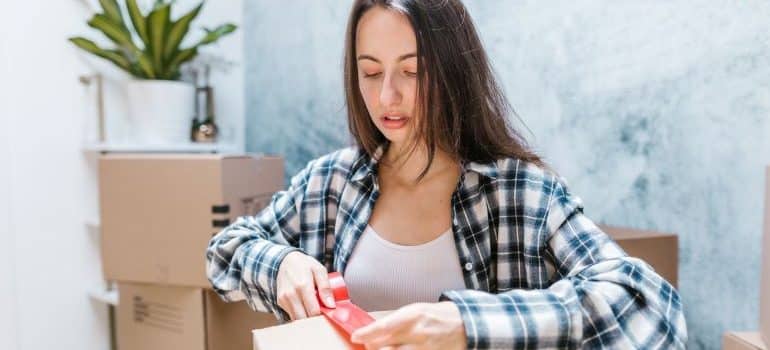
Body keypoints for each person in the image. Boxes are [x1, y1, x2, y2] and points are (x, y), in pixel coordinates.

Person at [206, 0, 687, 348]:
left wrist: (465, 323)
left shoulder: (520, 193)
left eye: (411, 72)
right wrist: (281, 265)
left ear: (453, 70)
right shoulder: (331, 182)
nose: (387, 98)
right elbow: (226, 251)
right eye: (370, 73)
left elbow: (647, 305)